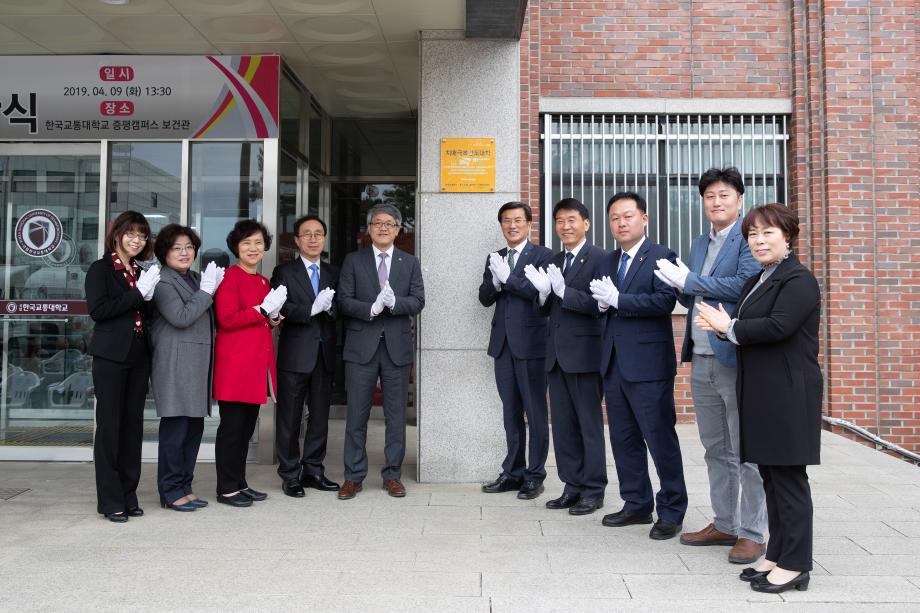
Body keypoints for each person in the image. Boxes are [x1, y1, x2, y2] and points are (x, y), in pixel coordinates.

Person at [694, 203, 821, 593]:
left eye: (768, 233)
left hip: (788, 394)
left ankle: (796, 564)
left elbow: (778, 326)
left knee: (789, 480)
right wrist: (722, 328)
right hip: (762, 392)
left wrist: (728, 326)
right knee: (771, 477)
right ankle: (778, 554)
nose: (759, 241)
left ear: (788, 236)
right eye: (752, 234)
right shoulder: (759, 279)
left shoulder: (799, 280)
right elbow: (748, 326)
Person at [655, 167, 767, 563]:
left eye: (724, 195)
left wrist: (690, 281)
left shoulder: (749, 237)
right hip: (701, 356)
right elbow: (694, 297)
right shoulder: (700, 242)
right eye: (709, 197)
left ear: (739, 200)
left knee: (746, 449)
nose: (716, 202)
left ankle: (753, 532)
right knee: (715, 448)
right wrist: (678, 285)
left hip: (735, 356)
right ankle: (725, 523)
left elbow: (744, 285)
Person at [590, 192, 687, 540]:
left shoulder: (661, 256)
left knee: (659, 438)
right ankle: (636, 503)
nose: (621, 223)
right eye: (615, 218)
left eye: (628, 216)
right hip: (614, 363)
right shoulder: (608, 260)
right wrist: (602, 306)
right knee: (624, 438)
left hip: (648, 366)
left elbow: (664, 301)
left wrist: (619, 300)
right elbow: (600, 304)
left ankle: (672, 510)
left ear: (644, 219)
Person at [523, 198, 607, 516]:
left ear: (586, 223)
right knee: (562, 426)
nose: (565, 226)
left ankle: (593, 490)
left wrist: (563, 292)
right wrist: (544, 294)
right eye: (559, 221)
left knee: (588, 425)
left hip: (585, 355)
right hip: (556, 355)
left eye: (571, 220)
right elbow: (545, 309)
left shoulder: (601, 258)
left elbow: (599, 305)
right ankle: (571, 486)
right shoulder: (555, 260)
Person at [337, 203, 425, 500]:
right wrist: (371, 309)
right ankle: (353, 477)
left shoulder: (409, 262)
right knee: (356, 416)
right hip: (361, 347)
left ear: (398, 230)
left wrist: (395, 303)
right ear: (369, 229)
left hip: (396, 349)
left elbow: (418, 301)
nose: (383, 227)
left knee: (396, 416)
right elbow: (344, 301)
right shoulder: (354, 260)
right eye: (377, 223)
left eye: (389, 223)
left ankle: (392, 476)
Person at [85, 210, 160, 523]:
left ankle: (129, 494)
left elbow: (147, 315)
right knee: (110, 428)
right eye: (131, 233)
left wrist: (148, 296)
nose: (136, 240)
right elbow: (99, 311)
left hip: (138, 356)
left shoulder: (141, 270)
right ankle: (110, 500)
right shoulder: (101, 269)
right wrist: (137, 294)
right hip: (111, 357)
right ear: (116, 235)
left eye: (142, 236)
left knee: (132, 427)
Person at [478, 201, 553, 500]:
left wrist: (509, 280)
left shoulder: (544, 256)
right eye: (507, 221)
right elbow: (484, 298)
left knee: (535, 413)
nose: (512, 225)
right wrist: (496, 283)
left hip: (533, 345)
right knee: (510, 412)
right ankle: (513, 472)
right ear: (501, 225)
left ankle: (535, 475)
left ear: (529, 223)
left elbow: (539, 295)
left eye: (518, 220)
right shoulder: (495, 257)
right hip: (503, 345)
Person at [212, 219, 287, 508]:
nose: (253, 248)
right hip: (235, 366)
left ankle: (239, 483)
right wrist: (262, 310)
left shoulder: (263, 281)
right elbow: (227, 319)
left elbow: (259, 319)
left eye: (258, 242)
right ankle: (226, 488)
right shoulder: (230, 278)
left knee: (245, 430)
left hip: (255, 365)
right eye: (247, 243)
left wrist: (273, 317)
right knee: (232, 430)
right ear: (236, 247)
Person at [150, 225, 224, 512]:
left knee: (193, 427)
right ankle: (170, 490)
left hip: (197, 364)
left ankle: (185, 485)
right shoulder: (162, 282)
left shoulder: (195, 278)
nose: (184, 253)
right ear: (164, 252)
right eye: (177, 248)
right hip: (175, 363)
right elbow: (180, 317)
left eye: (189, 247)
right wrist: (206, 291)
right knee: (176, 428)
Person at [270, 215, 340, 497]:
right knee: (289, 417)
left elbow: (341, 306)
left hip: (324, 354)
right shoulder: (283, 272)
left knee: (320, 418)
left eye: (318, 233)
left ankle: (313, 470)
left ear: (324, 238)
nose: (313, 239)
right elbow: (281, 306)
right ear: (297, 240)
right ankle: (290, 474)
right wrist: (311, 309)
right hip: (295, 355)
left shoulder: (334, 272)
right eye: (307, 234)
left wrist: (330, 308)